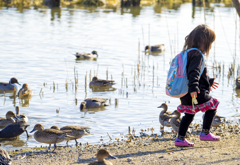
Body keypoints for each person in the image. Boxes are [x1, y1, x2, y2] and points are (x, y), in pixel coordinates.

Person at [175, 24, 220, 147]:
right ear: (203, 42)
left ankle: (180, 139)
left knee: (189, 114)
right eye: (210, 43)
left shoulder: (187, 53)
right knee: (213, 104)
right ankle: (205, 133)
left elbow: (193, 74)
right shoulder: (198, 55)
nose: (210, 46)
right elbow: (194, 72)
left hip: (185, 91)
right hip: (194, 91)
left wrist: (208, 81)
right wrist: (194, 88)